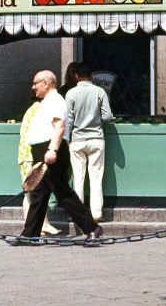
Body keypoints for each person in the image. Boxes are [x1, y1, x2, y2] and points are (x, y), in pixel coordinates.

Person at [16, 70, 102, 242]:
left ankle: (91, 228)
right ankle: (30, 234)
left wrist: (52, 150)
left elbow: (60, 126)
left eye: (36, 83)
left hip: (50, 150)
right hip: (44, 150)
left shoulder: (55, 100)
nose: (33, 87)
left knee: (62, 192)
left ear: (46, 83)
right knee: (39, 195)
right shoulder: (47, 102)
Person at [65, 62, 114, 222]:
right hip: (96, 139)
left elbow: (69, 119)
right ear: (91, 76)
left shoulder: (71, 93)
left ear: (76, 76)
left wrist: (66, 138)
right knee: (96, 178)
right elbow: (107, 117)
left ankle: (78, 214)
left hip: (77, 140)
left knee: (78, 179)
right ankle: (96, 213)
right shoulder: (99, 92)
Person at [17, 100, 60, 236]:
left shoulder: (31, 110)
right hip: (30, 156)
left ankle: (38, 226)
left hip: (25, 155)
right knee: (34, 193)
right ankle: (41, 225)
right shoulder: (41, 112)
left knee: (32, 193)